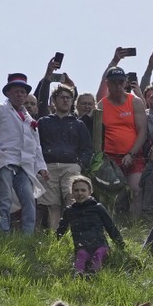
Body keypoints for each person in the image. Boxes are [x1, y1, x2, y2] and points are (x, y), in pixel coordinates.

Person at [0, 73, 49, 234]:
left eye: (22, 92)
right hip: (5, 160)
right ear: (8, 93)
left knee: (29, 200)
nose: (20, 94)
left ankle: (28, 236)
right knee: (4, 199)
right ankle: (3, 233)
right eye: (16, 91)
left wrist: (41, 166)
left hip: (25, 164)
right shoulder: (0, 110)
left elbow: (36, 146)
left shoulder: (29, 119)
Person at [36, 83, 94, 230]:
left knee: (72, 199)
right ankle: (56, 236)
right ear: (54, 100)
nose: (66, 100)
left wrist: (80, 165)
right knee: (52, 204)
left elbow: (87, 149)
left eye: (69, 98)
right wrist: (40, 165)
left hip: (71, 166)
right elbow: (36, 146)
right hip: (48, 167)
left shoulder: (79, 124)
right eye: (62, 97)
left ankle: (73, 232)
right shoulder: (43, 122)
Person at [98, 65, 148, 218]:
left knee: (136, 189)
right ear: (108, 84)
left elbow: (143, 131)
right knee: (111, 193)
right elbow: (98, 133)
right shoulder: (102, 105)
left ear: (126, 82)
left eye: (121, 82)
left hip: (134, 154)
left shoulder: (135, 102)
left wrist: (131, 154)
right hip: (110, 157)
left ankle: (135, 223)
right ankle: (112, 223)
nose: (118, 85)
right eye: (114, 82)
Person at [55, 176, 125, 277]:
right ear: (72, 193)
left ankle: (93, 273)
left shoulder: (98, 208)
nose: (80, 193)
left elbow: (111, 227)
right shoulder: (69, 211)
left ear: (90, 192)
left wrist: (121, 246)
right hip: (82, 246)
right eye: (76, 190)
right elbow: (61, 229)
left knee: (98, 254)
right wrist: (53, 242)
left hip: (101, 245)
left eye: (83, 190)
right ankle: (78, 274)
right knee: (81, 255)